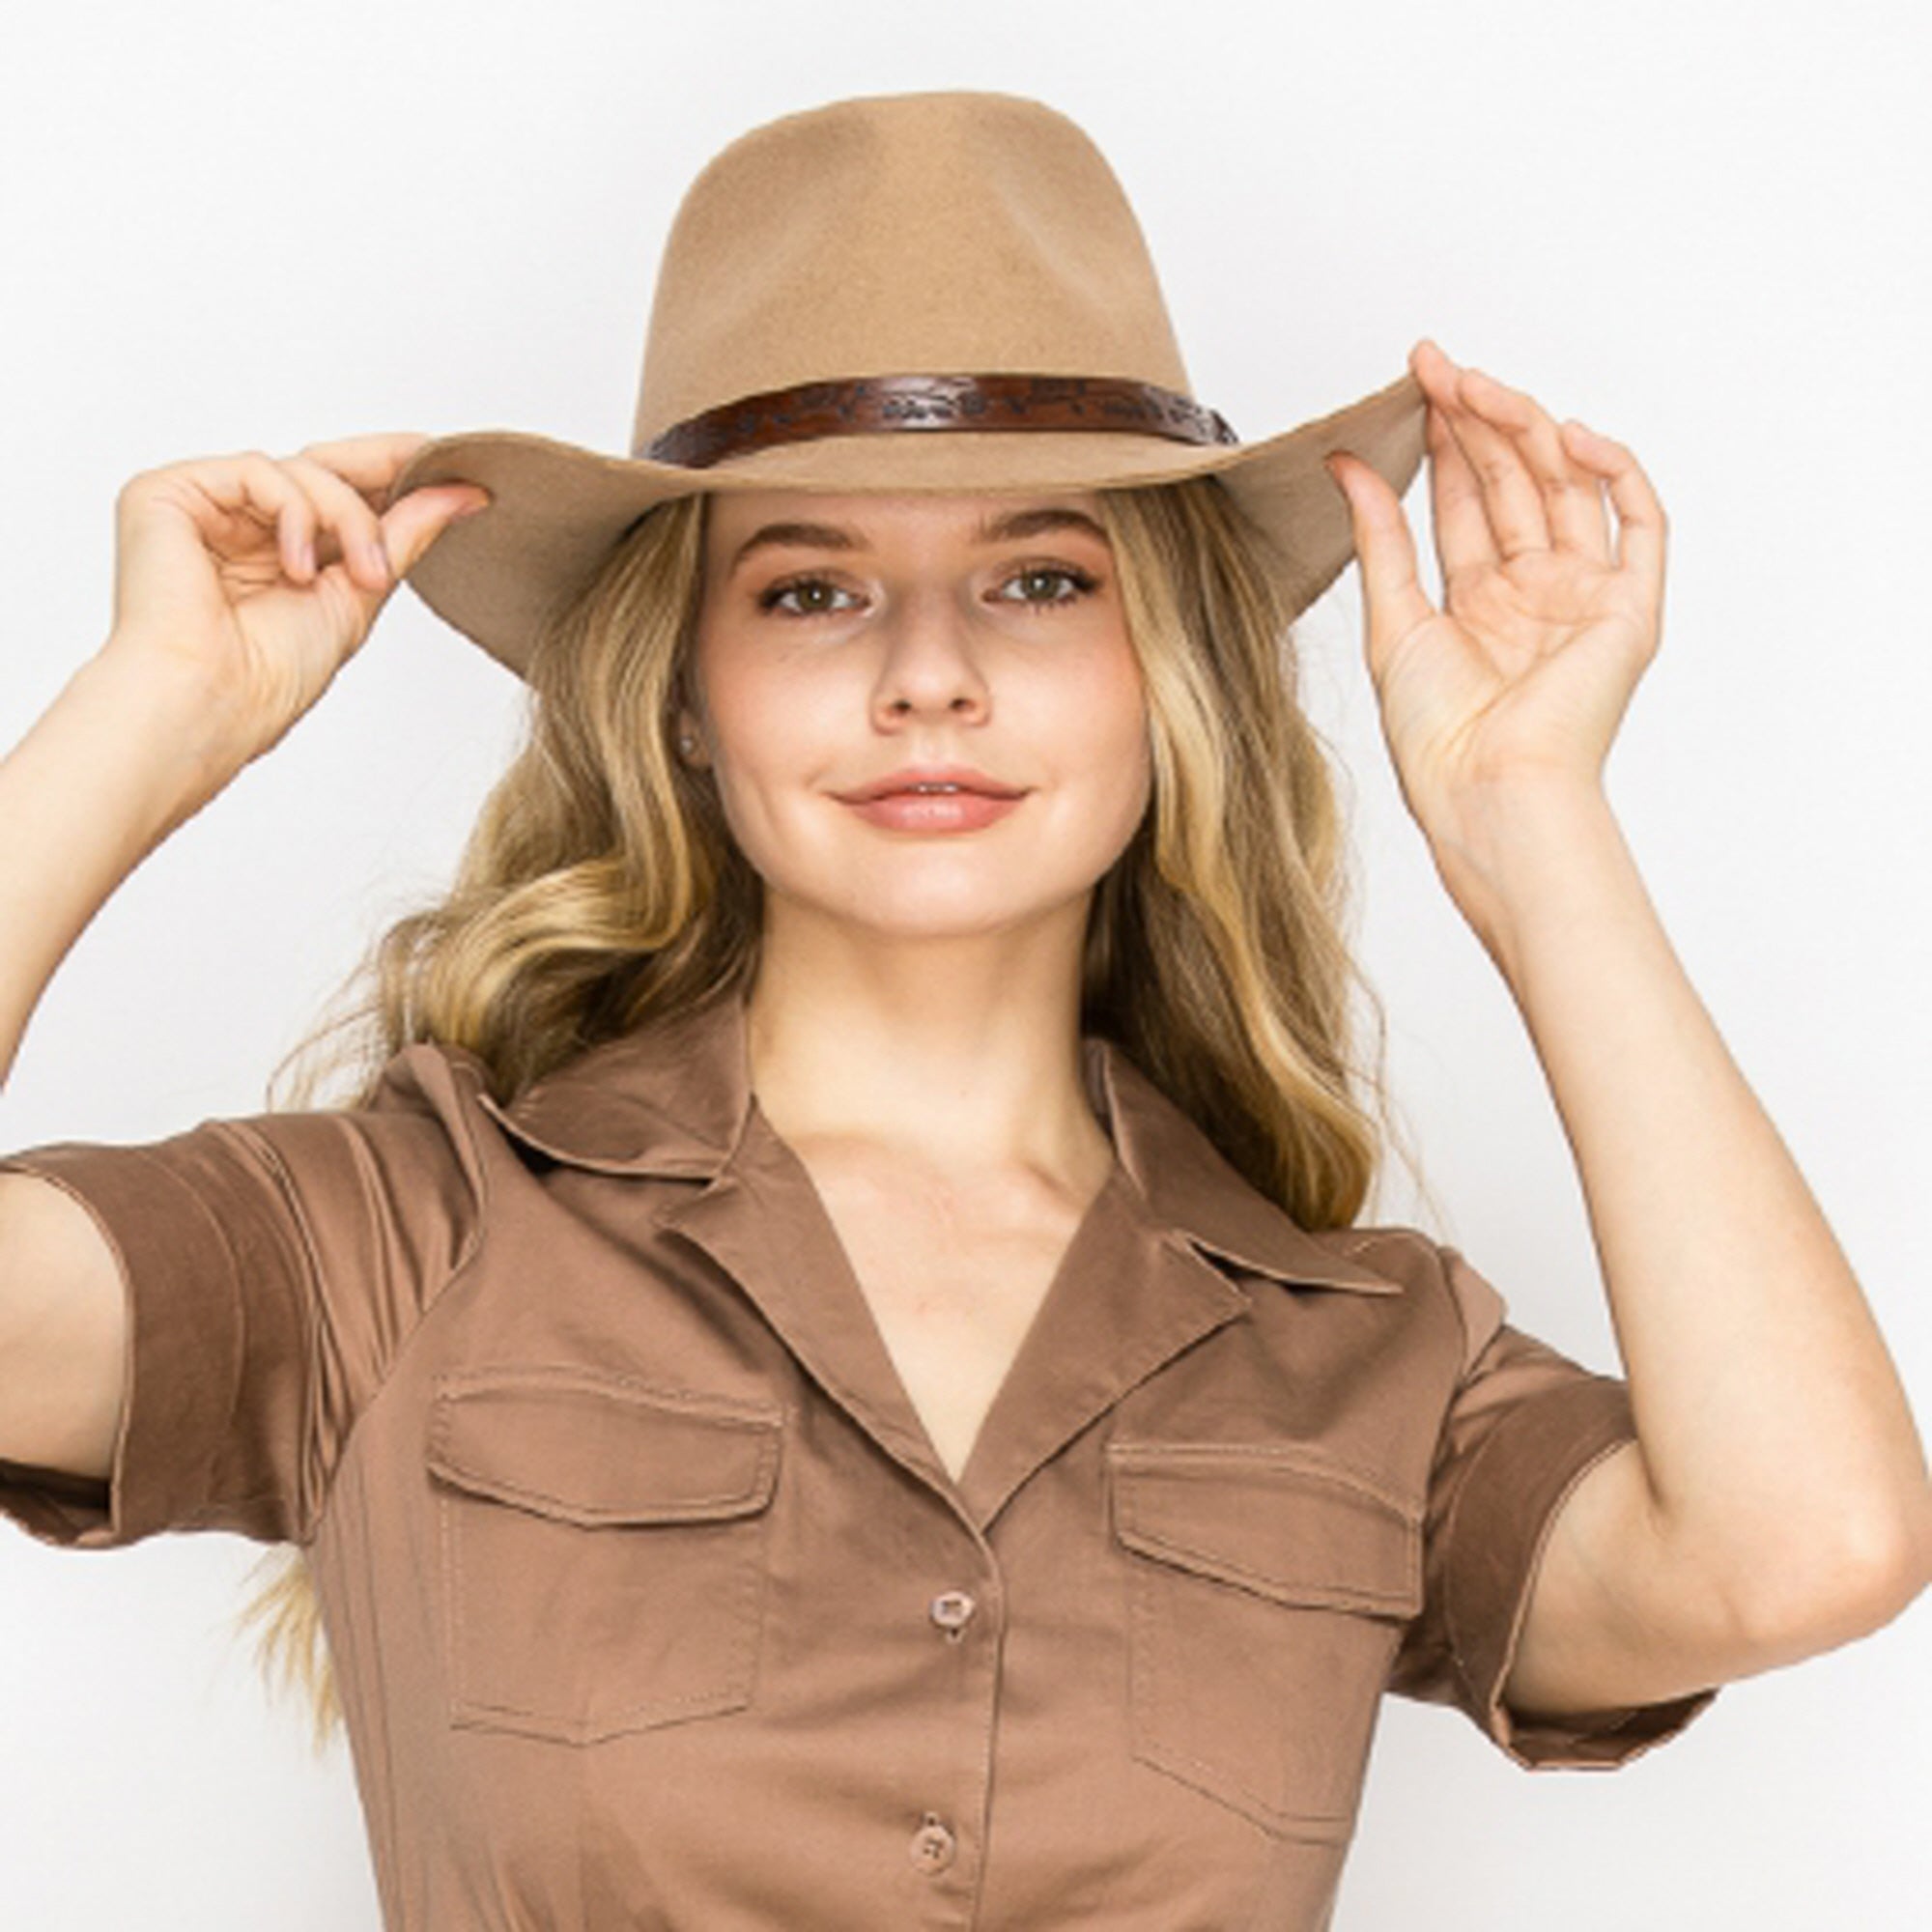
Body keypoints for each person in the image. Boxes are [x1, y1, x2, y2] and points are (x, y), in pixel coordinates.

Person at [0, 87, 1924, 1932]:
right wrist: (143, 719)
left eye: (1034, 578)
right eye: (812, 594)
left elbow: (1810, 1543)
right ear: (687, 689)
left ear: (1159, 670)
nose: (929, 676)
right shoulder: (405, 1236)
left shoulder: (1361, 1358)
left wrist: (1529, 823)